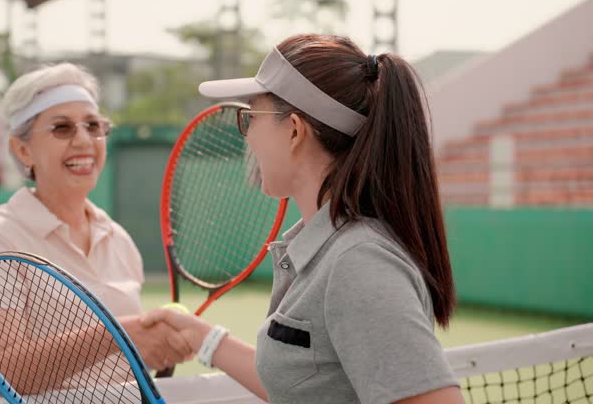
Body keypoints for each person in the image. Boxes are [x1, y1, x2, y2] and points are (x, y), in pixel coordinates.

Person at [142, 34, 465, 404]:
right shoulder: (330, 248)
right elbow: (310, 386)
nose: (246, 138)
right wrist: (205, 339)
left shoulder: (357, 263)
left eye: (250, 117)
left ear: (293, 130)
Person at [0, 63, 192, 403]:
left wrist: (155, 348)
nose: (84, 140)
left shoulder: (119, 240)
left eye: (94, 126)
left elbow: (114, 367)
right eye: (62, 128)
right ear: (23, 150)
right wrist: (126, 333)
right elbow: (2, 374)